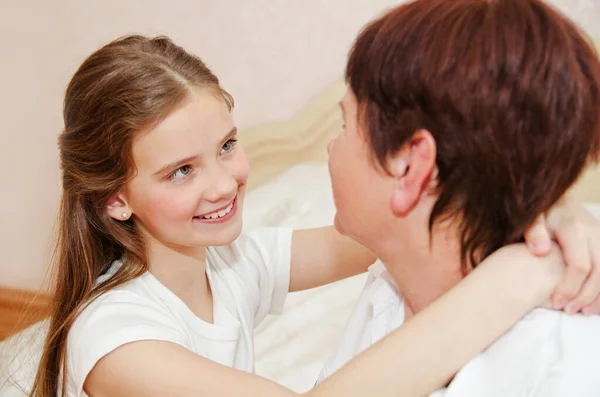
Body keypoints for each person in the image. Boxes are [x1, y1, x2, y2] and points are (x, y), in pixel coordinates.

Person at [29, 34, 600, 397]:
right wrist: (518, 277)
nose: (225, 184)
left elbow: (399, 230)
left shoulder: (230, 264)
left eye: (227, 145)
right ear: (115, 199)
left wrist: (545, 208)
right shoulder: (114, 338)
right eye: (182, 171)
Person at [318, 0, 600, 395]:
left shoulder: (563, 371)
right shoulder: (392, 284)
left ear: (410, 168)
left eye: (344, 125)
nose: (331, 148)